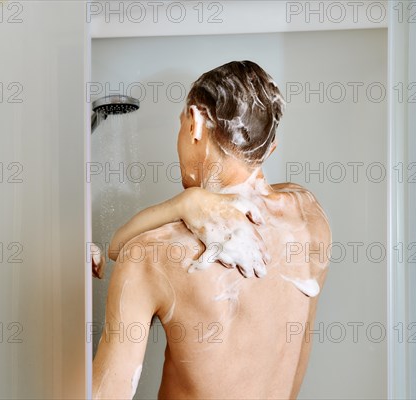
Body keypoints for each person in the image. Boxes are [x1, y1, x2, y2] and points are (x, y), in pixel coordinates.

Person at [92, 60, 331, 399]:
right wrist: (184, 204)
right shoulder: (310, 218)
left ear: (195, 123)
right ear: (268, 147)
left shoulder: (151, 255)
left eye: (180, 124)